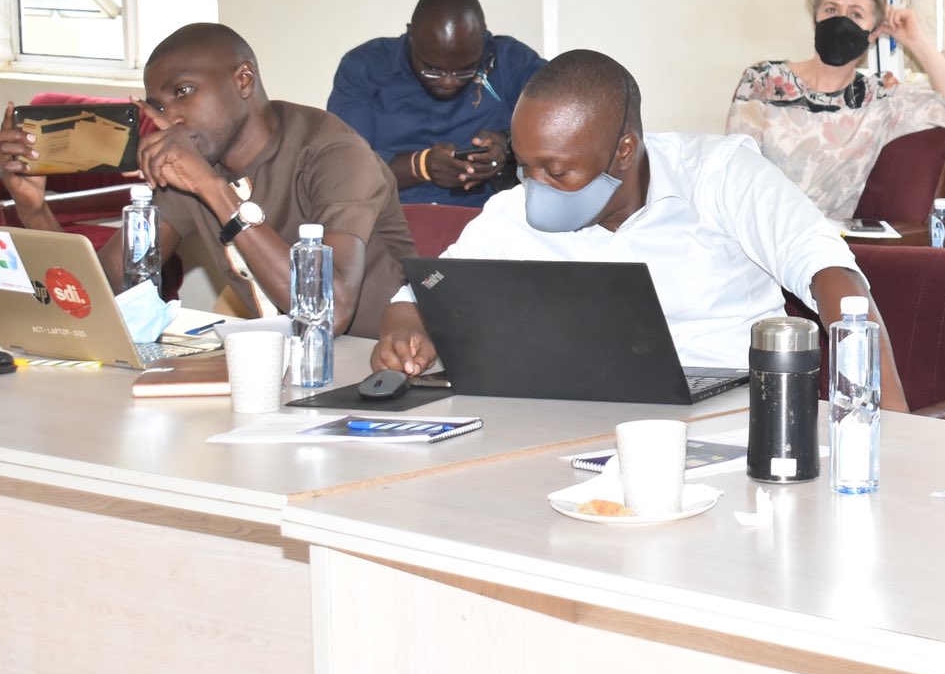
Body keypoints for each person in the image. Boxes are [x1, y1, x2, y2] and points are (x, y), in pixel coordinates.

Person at [0, 20, 416, 674]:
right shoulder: (190, 171)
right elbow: (107, 290)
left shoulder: (335, 154)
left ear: (245, 81)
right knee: (157, 513)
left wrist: (215, 194)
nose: (168, 118)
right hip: (265, 393)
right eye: (156, 105)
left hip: (368, 401)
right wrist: (31, 206)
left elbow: (325, 308)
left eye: (183, 93)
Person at [376, 49, 909, 408]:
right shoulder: (517, 209)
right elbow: (422, 295)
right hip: (575, 418)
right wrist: (405, 332)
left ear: (623, 151)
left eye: (558, 171)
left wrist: (889, 424)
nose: (536, 185)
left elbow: (831, 273)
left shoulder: (718, 176)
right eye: (525, 165)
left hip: (728, 419)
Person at [725, 0, 945, 220]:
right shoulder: (763, 81)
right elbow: (739, 171)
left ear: (875, 31)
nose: (841, 21)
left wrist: (916, 41)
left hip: (821, 245)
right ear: (815, 18)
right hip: (754, 228)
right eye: (831, 9)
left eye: (856, 14)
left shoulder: (879, 98)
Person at [328, 0, 546, 207]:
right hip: (390, 218)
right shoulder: (365, 67)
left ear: (483, 40)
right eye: (432, 69)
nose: (448, 82)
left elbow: (563, 130)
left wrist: (507, 145)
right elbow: (345, 169)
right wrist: (420, 166)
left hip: (486, 220)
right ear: (411, 36)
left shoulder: (511, 61)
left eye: (465, 69)